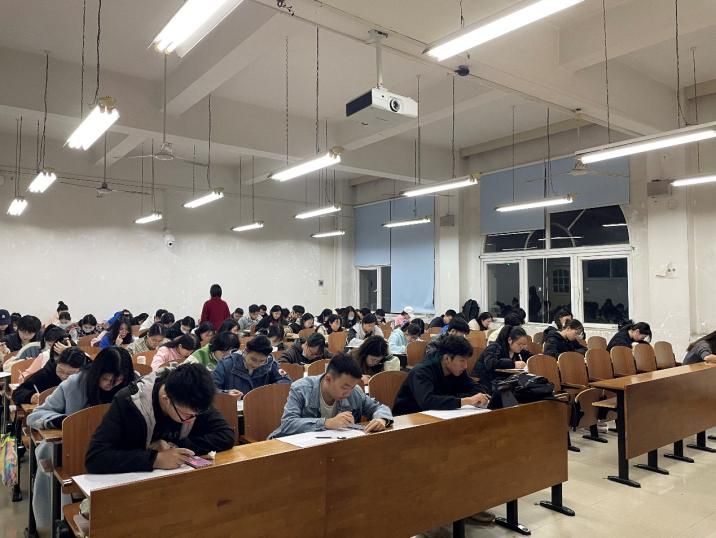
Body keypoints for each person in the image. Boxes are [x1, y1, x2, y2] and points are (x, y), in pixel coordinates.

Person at [27, 347, 136, 528]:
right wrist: (61, 420)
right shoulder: (74, 384)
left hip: (117, 451)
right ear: (96, 372)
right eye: (105, 378)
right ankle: (52, 525)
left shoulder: (133, 386)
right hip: (75, 452)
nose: (110, 384)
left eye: (117, 380)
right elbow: (36, 415)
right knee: (51, 461)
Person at [85, 363, 235, 474]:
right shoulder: (129, 402)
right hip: (131, 483)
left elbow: (226, 435)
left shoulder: (194, 398)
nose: (192, 420)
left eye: (197, 414)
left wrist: (176, 446)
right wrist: (155, 459)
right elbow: (95, 458)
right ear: (166, 400)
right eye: (187, 416)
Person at [269, 353, 393, 438]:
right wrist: (326, 423)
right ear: (328, 379)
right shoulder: (301, 388)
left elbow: (378, 408)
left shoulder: (354, 391)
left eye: (352, 387)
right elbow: (288, 423)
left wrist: (381, 419)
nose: (348, 393)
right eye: (344, 387)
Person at [393, 335, 490, 415]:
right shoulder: (421, 371)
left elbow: (477, 389)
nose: (465, 366)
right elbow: (427, 402)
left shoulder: (457, 370)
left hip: (439, 416)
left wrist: (455, 398)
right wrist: (465, 400)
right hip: (408, 419)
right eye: (462, 360)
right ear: (447, 358)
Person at [212, 335, 291, 399]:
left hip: (260, 407)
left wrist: (268, 390)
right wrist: (226, 393)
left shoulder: (270, 364)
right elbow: (211, 388)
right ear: (245, 352)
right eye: (253, 359)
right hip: (233, 409)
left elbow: (286, 381)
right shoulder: (226, 364)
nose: (256, 364)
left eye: (261, 361)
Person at [12, 347, 89, 405]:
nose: (64, 376)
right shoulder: (48, 372)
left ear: (81, 370)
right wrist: (31, 397)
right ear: (57, 364)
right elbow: (18, 392)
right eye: (60, 371)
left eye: (70, 374)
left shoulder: (88, 375)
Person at [473, 325, 532, 395]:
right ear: (510, 340)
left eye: (524, 344)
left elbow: (532, 358)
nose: (521, 347)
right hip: (488, 382)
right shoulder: (494, 347)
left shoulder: (518, 351)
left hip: (504, 382)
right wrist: (513, 364)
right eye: (519, 344)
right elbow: (490, 363)